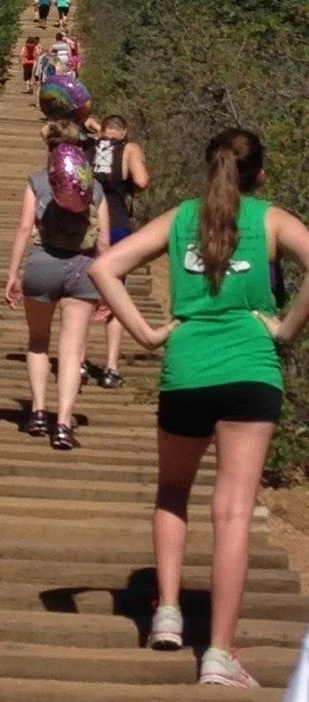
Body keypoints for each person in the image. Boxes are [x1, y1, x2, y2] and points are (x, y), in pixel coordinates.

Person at [88, 128, 309, 688]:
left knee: (172, 491)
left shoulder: (180, 218)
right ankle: (219, 653)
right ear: (258, 173)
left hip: (185, 369)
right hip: (251, 370)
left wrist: (144, 333)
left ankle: (166, 612)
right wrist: (285, 326)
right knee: (232, 511)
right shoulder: (271, 220)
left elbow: (103, 268)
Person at [4, 120, 110, 450]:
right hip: (83, 268)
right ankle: (63, 423)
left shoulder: (37, 181)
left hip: (43, 264)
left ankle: (37, 412)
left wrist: (12, 273)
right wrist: (108, 289)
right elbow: (104, 241)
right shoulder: (94, 187)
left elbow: (24, 229)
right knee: (70, 351)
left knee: (38, 340)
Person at [89, 115, 150, 388]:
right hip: (117, 226)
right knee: (115, 295)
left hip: (88, 226)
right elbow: (142, 180)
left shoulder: (87, 147)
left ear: (103, 129)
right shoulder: (130, 149)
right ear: (124, 132)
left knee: (83, 296)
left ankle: (77, 361)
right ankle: (111, 367)